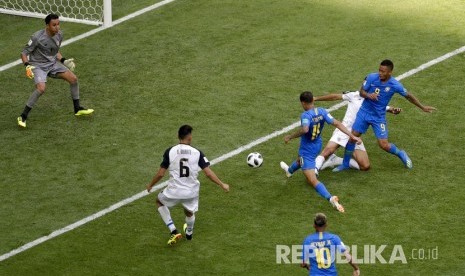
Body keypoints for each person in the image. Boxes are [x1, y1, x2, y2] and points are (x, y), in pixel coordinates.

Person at [333, 60, 436, 172]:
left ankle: (401, 153)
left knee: (384, 145)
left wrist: (422, 107)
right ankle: (345, 164)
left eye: (383, 71)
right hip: (364, 113)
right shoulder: (372, 77)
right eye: (379, 70)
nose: (380, 73)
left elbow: (408, 96)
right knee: (353, 138)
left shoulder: (395, 85)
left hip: (378, 117)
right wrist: (368, 95)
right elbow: (361, 91)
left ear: (390, 72)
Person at [146, 125, 230, 245]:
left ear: (178, 136)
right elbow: (208, 173)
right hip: (191, 192)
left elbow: (160, 174)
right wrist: (222, 184)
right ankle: (189, 233)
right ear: (190, 137)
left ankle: (173, 230)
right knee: (189, 211)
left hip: (173, 191)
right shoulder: (197, 153)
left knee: (159, 202)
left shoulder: (170, 151)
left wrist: (150, 185)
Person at [279, 91, 362, 213]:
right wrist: (351, 135)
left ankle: (331, 198)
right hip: (317, 145)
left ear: (303, 103)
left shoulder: (306, 115)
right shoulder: (322, 111)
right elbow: (337, 123)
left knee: (312, 180)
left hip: (307, 148)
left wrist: (290, 137)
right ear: (313, 100)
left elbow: (305, 129)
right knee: (300, 159)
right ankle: (289, 171)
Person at [17, 13, 93, 128]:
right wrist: (27, 65)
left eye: (58, 24)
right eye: (54, 25)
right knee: (41, 89)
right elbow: (24, 53)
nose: (57, 27)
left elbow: (54, 51)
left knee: (73, 79)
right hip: (38, 66)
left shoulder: (59, 35)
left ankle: (77, 109)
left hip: (52, 64)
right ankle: (23, 116)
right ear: (47, 25)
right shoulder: (37, 37)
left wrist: (63, 60)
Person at [313, 91, 402, 172]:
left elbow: (384, 107)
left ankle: (336, 160)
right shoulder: (354, 95)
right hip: (344, 129)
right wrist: (316, 98)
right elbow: (335, 96)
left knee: (365, 166)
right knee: (327, 151)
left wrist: (393, 109)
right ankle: (314, 170)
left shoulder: (374, 101)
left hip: (355, 134)